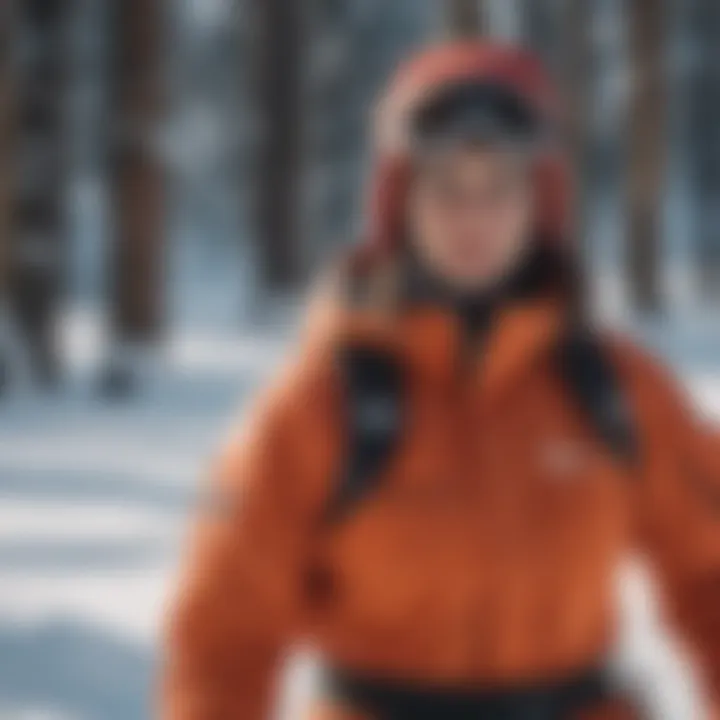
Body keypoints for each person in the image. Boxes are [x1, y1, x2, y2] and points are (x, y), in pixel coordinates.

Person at [162, 42, 720, 720]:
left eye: (499, 189)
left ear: (539, 203)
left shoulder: (616, 389)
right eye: (446, 187)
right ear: (399, 201)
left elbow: (708, 575)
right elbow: (224, 634)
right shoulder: (321, 403)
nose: (472, 217)